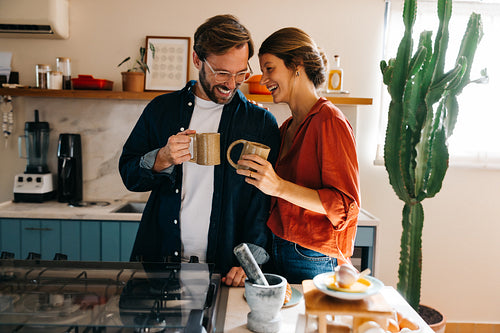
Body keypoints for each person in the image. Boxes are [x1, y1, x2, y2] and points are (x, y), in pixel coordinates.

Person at [119, 14, 280, 286]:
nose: (231, 84)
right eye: (222, 73)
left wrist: (251, 258)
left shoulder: (260, 122)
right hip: (160, 263)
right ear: (197, 60)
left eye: (240, 73)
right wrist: (162, 158)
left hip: (227, 271)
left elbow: (262, 202)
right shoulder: (161, 110)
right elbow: (129, 174)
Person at [236, 27, 360, 284]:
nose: (263, 78)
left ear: (297, 65)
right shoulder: (288, 126)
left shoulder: (329, 121)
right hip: (279, 245)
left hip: (311, 254)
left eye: (270, 68)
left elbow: (344, 206)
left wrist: (278, 186)